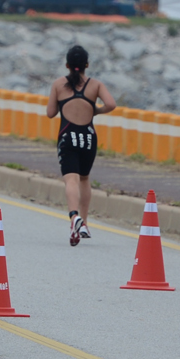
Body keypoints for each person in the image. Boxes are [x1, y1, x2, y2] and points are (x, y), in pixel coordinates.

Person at [45, 44, 114, 245]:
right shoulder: (95, 85)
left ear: (67, 65)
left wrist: (63, 103)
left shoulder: (58, 84)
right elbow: (111, 104)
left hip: (68, 137)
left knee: (71, 180)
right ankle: (83, 223)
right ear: (87, 65)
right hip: (88, 138)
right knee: (84, 179)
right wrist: (95, 110)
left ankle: (73, 216)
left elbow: (50, 113)